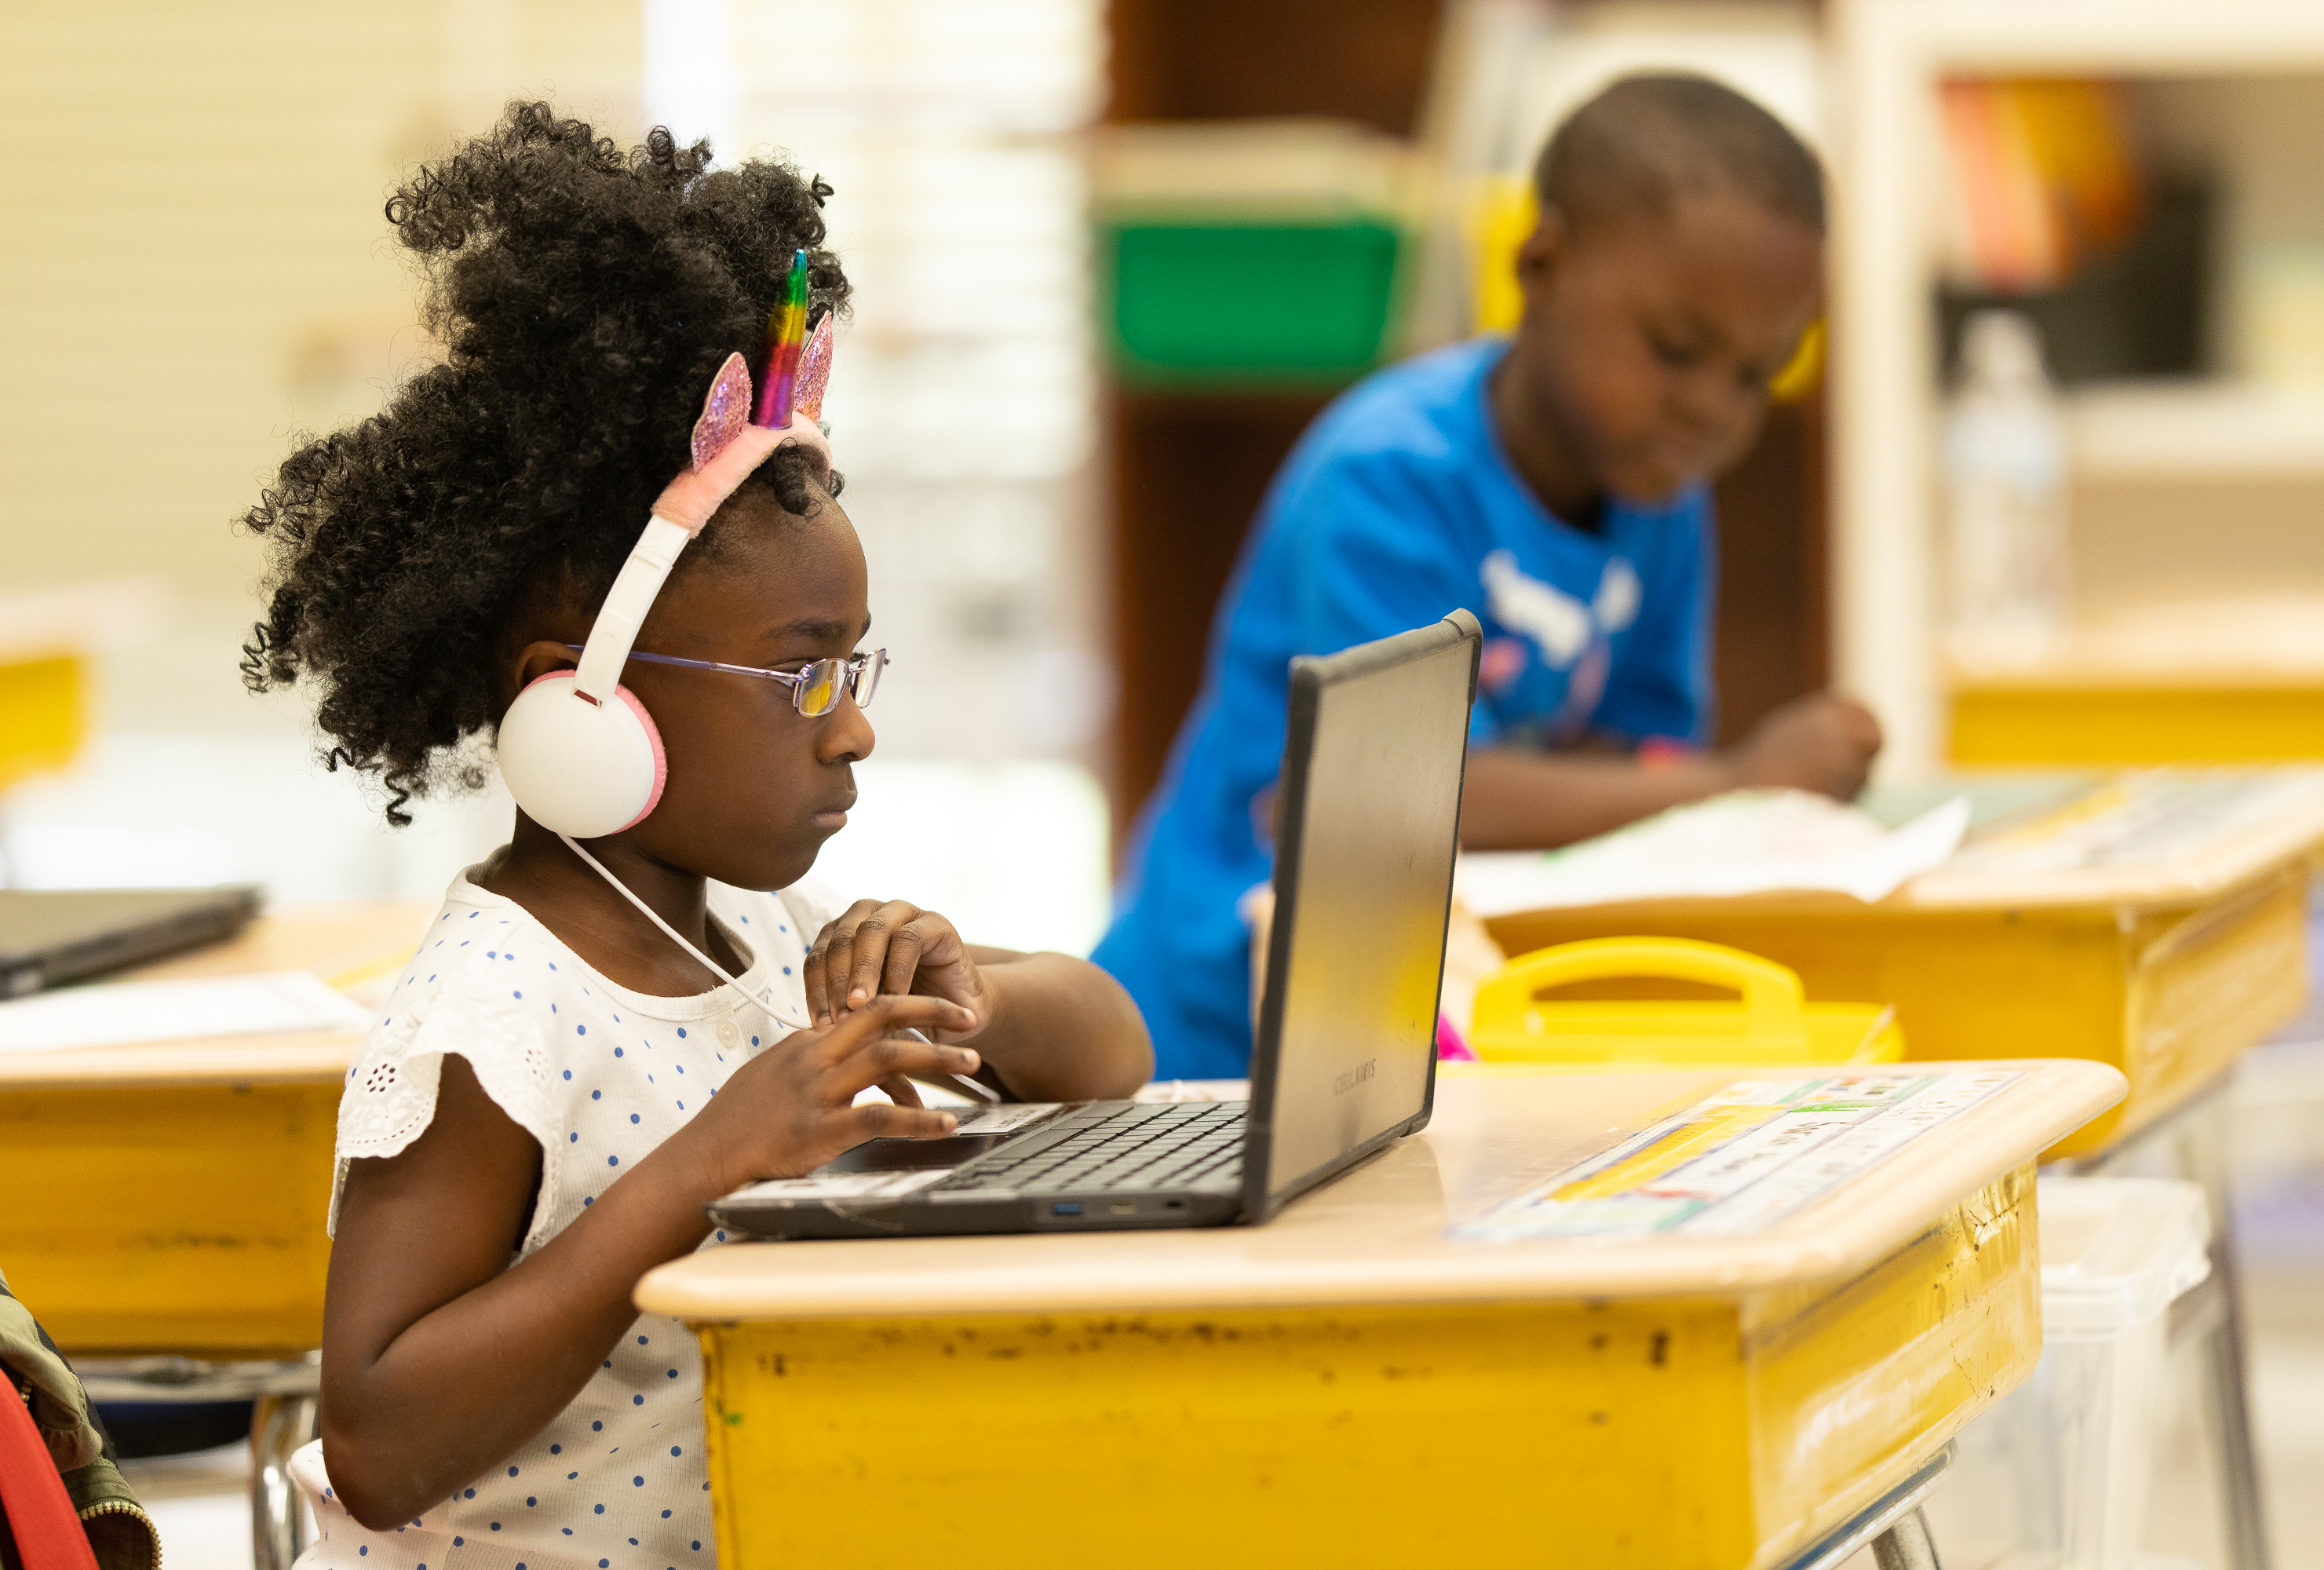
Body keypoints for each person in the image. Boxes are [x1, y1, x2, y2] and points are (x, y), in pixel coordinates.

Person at [239, 101, 1151, 1569]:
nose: (851, 726)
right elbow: (380, 1440)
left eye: (856, 669)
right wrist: (700, 1171)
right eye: (803, 674)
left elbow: (1113, 1051)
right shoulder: (493, 1021)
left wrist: (975, 996)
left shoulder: (758, 930)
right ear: (579, 705)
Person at [1096, 73, 1882, 1079]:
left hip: (1435, 1006)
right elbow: (1371, 801)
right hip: (1208, 1028)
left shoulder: (1660, 495)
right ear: (1540, 264)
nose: (1712, 410)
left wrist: (1696, 788)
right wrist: (1730, 784)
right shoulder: (1391, 476)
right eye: (1677, 348)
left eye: (1754, 375)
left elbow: (1639, 763)